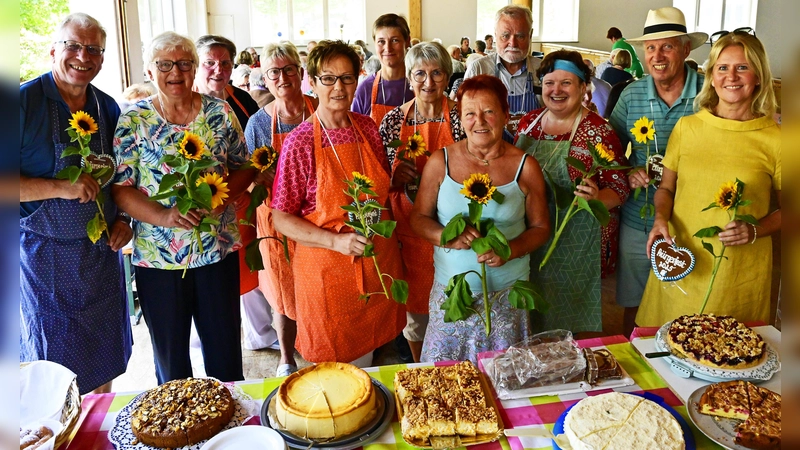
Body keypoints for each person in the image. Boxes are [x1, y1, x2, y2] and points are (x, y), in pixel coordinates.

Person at [113, 31, 250, 384]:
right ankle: (180, 435)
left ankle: (231, 432)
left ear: (194, 68)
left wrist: (217, 198)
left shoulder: (219, 114)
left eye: (184, 63)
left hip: (216, 251)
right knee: (172, 363)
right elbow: (121, 188)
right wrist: (164, 216)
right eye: (165, 64)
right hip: (158, 260)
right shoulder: (134, 121)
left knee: (225, 357)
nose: (176, 71)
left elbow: (244, 166)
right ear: (149, 70)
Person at [270, 40, 405, 367]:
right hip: (329, 275)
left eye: (347, 78)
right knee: (336, 372)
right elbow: (281, 218)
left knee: (382, 355)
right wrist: (335, 240)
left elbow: (382, 190)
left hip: (377, 264)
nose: (339, 87)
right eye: (328, 78)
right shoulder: (300, 142)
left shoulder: (368, 128)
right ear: (312, 83)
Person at [20, 12, 132, 395]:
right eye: (73, 45)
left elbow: (123, 179)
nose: (82, 56)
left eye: (94, 50)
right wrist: (59, 187)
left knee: (104, 354)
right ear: (54, 50)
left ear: (102, 59)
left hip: (101, 255)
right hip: (44, 260)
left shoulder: (107, 108)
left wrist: (124, 221)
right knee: (53, 370)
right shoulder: (21, 103)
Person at [640, 32, 780, 326]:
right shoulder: (687, 127)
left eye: (743, 67)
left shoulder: (778, 139)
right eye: (722, 67)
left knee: (730, 358)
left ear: (758, 76)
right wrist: (660, 220)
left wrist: (755, 230)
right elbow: (666, 187)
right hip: (682, 261)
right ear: (712, 77)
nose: (732, 76)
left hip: (739, 275)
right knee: (664, 353)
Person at [410, 75, 550, 363]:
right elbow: (418, 219)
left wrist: (509, 250)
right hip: (453, 296)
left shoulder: (526, 167)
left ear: (505, 116)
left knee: (506, 380)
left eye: (489, 111)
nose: (480, 121)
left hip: (507, 298)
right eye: (470, 113)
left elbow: (540, 228)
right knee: (447, 380)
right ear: (460, 119)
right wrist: (446, 235)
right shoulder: (440, 162)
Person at [608, 6, 707, 336]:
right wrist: (628, 170)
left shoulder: (710, 94)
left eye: (667, 46)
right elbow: (608, 150)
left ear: (685, 48)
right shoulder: (631, 94)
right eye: (650, 47)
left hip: (695, 221)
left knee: (690, 305)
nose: (657, 55)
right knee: (635, 305)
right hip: (638, 218)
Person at [515, 51, 629, 334]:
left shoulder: (598, 131)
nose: (556, 90)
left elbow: (619, 187)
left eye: (567, 83)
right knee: (532, 314)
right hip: (530, 234)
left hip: (576, 244)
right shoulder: (527, 122)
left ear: (582, 87)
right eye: (550, 82)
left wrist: (595, 198)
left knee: (570, 324)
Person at [378, 42, 465, 362]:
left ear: (447, 76)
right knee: (416, 314)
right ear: (409, 78)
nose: (428, 82)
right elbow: (378, 180)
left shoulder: (462, 116)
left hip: (457, 227)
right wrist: (394, 179)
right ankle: (421, 366)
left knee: (458, 303)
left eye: (437, 73)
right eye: (420, 74)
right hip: (408, 233)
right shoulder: (390, 123)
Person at [193, 35, 272, 358]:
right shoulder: (182, 102)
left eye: (225, 63)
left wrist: (251, 186)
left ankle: (260, 334)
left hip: (240, 197)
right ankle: (201, 340)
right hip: (194, 207)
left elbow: (255, 153)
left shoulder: (242, 102)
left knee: (247, 267)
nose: (217, 70)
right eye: (209, 63)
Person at [244, 41, 318, 376]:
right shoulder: (258, 124)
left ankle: (320, 347)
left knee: (319, 285)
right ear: (266, 78)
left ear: (301, 74)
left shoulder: (320, 110)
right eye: (275, 71)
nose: (283, 76)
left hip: (318, 214)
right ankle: (287, 358)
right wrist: (263, 177)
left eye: (289, 69)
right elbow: (248, 177)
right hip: (274, 218)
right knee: (282, 291)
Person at [465, 5, 542, 134]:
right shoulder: (478, 69)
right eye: (505, 36)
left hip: (534, 151)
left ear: (530, 35)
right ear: (495, 35)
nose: (513, 43)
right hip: (489, 151)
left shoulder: (542, 70)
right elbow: (466, 116)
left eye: (520, 36)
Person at [352, 14, 414, 125]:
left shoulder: (420, 85)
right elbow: (356, 134)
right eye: (381, 41)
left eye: (395, 40)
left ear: (407, 41)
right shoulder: (366, 89)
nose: (388, 48)